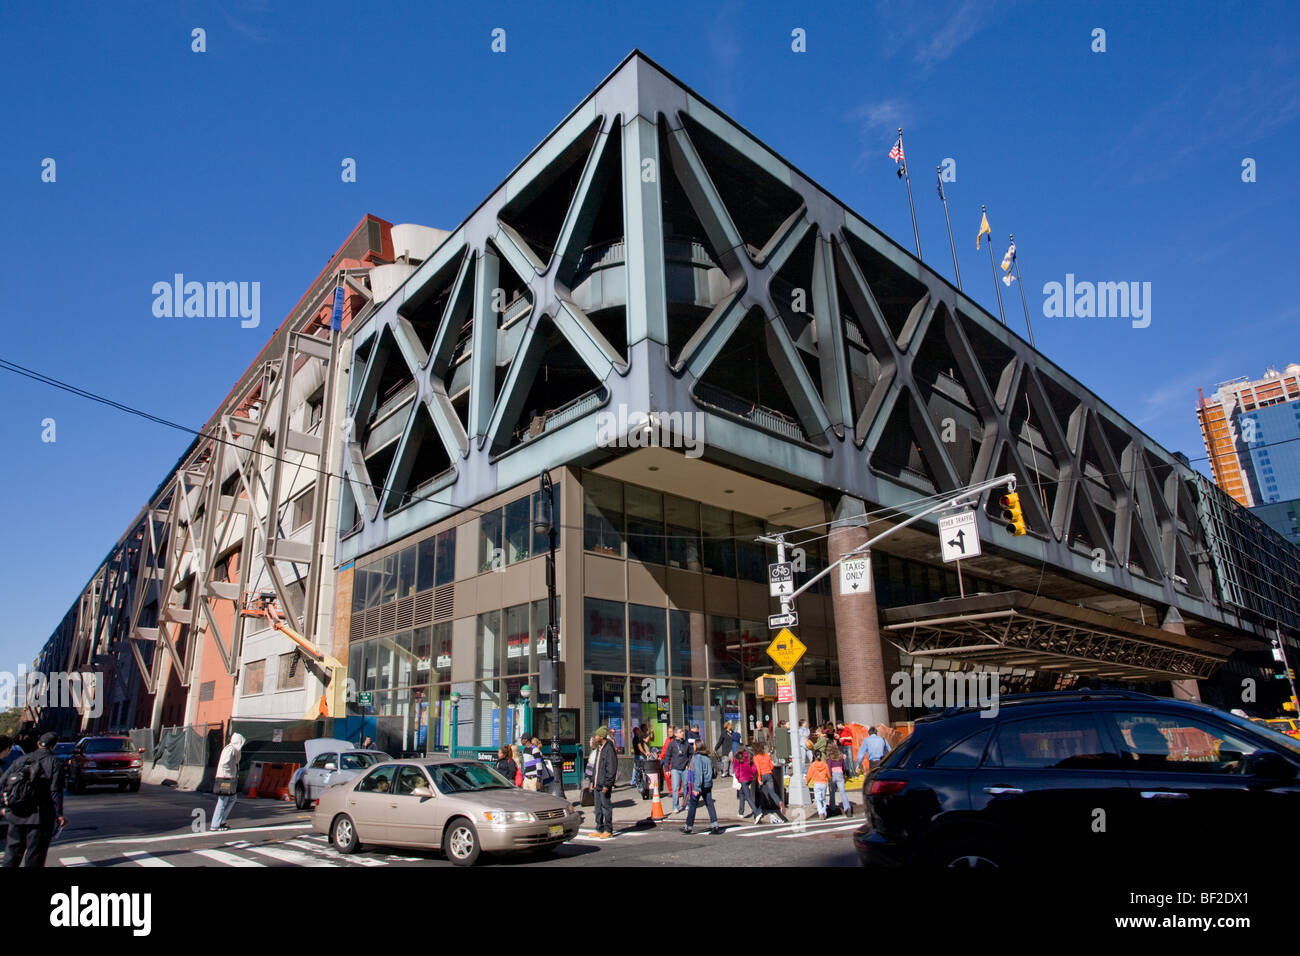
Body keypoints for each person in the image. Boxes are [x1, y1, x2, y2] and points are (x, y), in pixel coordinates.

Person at [0, 732, 66, 867]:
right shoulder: (54, 762)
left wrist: (3, 807)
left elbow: (3, 783)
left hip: (16, 812)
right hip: (40, 815)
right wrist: (59, 814)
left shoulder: (21, 760)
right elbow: (55, 791)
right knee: (35, 854)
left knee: (12, 852)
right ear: (53, 746)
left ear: (38, 743)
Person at [681, 740, 722, 835]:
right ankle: (715, 825)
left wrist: (696, 788)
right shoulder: (707, 758)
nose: (693, 746)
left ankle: (688, 826)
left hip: (699, 785)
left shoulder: (697, 758)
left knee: (692, 805)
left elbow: (698, 774)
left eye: (694, 745)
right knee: (709, 804)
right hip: (708, 784)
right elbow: (711, 772)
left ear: (697, 746)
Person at [210, 732, 245, 831]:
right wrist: (229, 773)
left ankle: (221, 821)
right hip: (226, 778)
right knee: (222, 801)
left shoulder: (233, 749)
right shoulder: (230, 749)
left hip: (228, 778)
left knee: (231, 798)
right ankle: (216, 824)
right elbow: (225, 762)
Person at [589, 726, 618, 838]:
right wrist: (592, 781)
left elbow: (611, 768)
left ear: (601, 737)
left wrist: (607, 784)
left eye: (596, 735)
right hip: (597, 783)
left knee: (606, 806)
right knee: (598, 808)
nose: (595, 737)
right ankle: (599, 828)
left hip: (604, 784)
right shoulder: (599, 748)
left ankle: (608, 829)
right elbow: (596, 766)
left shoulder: (609, 749)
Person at [751, 743, 787, 824]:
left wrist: (759, 779)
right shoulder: (766, 756)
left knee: (761, 795)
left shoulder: (756, 757)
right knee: (772, 793)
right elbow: (771, 766)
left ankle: (759, 813)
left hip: (762, 775)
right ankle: (779, 802)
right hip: (769, 774)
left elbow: (758, 769)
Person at [665, 727, 693, 813]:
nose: (682, 733)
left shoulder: (686, 743)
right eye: (680, 732)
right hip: (675, 769)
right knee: (675, 788)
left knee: (686, 787)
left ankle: (686, 804)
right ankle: (675, 806)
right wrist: (667, 768)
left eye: (682, 732)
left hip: (685, 768)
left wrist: (688, 765)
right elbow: (667, 757)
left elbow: (691, 754)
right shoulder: (672, 744)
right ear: (676, 734)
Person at [826, 742, 852, 817]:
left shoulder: (829, 758)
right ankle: (847, 808)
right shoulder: (840, 756)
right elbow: (844, 767)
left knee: (832, 792)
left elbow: (829, 767)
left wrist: (829, 777)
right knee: (842, 792)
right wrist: (843, 773)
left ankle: (832, 807)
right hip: (840, 773)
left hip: (833, 774)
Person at [733, 746, 758, 819]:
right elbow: (754, 767)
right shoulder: (749, 755)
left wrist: (738, 778)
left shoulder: (737, 757)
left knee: (748, 796)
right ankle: (741, 812)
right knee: (741, 794)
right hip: (749, 778)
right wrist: (752, 774)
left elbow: (736, 769)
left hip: (743, 778)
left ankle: (756, 812)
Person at [806, 750, 831, 820]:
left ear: (814, 756)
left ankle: (821, 813)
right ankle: (824, 812)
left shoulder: (813, 765)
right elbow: (828, 774)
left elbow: (809, 775)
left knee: (818, 799)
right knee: (823, 799)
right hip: (824, 783)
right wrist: (830, 779)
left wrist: (807, 781)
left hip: (817, 783)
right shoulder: (825, 764)